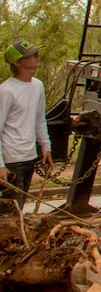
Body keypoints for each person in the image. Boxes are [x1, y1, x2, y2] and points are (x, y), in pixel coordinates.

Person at [0, 40, 53, 210]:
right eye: (30, 55)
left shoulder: (37, 86)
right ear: (17, 62)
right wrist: (0, 165)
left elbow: (39, 120)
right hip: (11, 160)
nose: (36, 56)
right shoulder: (7, 91)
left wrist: (46, 147)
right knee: (9, 215)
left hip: (29, 157)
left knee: (19, 209)